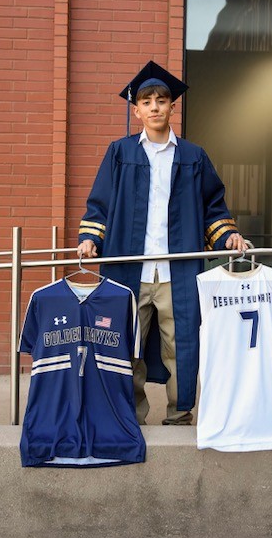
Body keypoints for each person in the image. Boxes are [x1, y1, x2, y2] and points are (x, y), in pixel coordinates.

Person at [77, 61, 248, 425]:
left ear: (172, 106)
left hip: (177, 270)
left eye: (162, 99)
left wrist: (227, 235)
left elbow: (212, 207)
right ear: (136, 109)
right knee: (123, 343)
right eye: (146, 100)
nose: (154, 106)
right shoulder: (120, 153)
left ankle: (180, 412)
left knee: (181, 344)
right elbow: (100, 203)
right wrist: (91, 238)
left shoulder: (193, 157)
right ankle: (129, 412)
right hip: (129, 268)